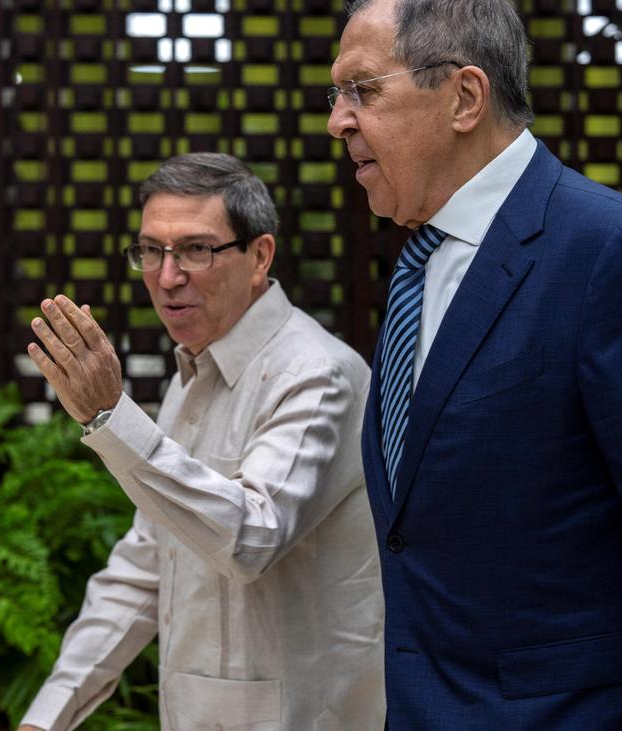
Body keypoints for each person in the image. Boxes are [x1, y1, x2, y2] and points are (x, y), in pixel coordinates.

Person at [327, 0, 622, 728]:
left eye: (362, 90)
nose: (338, 121)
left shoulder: (611, 253)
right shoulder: (418, 264)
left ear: (465, 98)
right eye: (335, 95)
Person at [19, 153, 384, 731]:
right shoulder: (189, 376)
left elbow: (251, 537)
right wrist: (46, 719)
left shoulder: (316, 374)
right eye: (151, 251)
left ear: (259, 256)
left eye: (196, 250)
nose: (167, 277)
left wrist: (111, 417)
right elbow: (146, 564)